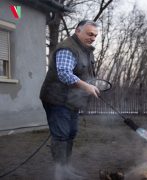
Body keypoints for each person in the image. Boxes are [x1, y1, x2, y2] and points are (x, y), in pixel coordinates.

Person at [40, 20, 99, 179]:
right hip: (56, 99)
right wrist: (87, 87)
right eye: (89, 33)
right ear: (78, 31)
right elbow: (65, 73)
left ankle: (66, 168)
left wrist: (93, 83)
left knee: (71, 133)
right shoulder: (68, 48)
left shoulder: (86, 50)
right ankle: (60, 173)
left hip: (72, 101)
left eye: (95, 35)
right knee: (61, 135)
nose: (92, 38)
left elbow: (84, 73)